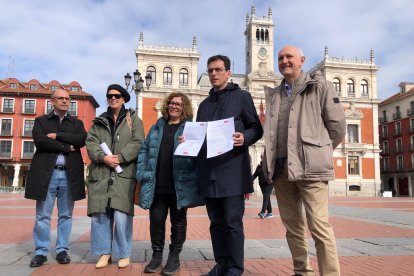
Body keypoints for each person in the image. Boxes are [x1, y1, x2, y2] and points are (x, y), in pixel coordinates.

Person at [263, 45, 346, 276]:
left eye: (289, 57)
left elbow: (337, 127)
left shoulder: (319, 86)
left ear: (302, 60)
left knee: (319, 227)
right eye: (280, 58)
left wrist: (318, 151)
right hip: (281, 170)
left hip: (311, 169)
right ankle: (302, 271)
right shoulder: (275, 94)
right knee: (293, 227)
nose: (284, 61)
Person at [196, 55, 263, 276]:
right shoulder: (204, 105)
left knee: (233, 224)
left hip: (233, 171)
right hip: (209, 172)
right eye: (210, 70)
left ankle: (235, 268)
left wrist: (244, 137)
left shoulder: (242, 97)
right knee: (215, 224)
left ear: (228, 72)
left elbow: (256, 128)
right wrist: (188, 141)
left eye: (218, 70)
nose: (213, 74)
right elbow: (199, 135)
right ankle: (221, 265)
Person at [136, 92, 204, 276]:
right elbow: (144, 149)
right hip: (156, 184)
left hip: (179, 185)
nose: (174, 106)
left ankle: (174, 257)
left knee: (178, 222)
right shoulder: (157, 127)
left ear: (185, 108)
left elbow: (200, 154)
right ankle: (157, 255)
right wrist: (142, 172)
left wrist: (191, 144)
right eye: (172, 103)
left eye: (179, 104)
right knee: (156, 221)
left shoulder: (190, 128)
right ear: (167, 105)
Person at [25, 88, 87, 267]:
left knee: (66, 215)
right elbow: (40, 141)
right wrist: (67, 147)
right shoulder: (41, 121)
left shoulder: (76, 123)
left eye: (67, 99)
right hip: (47, 174)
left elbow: (82, 139)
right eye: (60, 98)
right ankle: (41, 252)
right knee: (42, 216)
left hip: (69, 175)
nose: (65, 101)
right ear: (52, 101)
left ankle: (62, 250)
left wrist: (57, 136)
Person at [86, 84, 145, 269]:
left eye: (117, 96)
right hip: (101, 174)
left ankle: (123, 253)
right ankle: (104, 253)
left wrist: (120, 158)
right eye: (110, 96)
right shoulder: (99, 121)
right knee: (100, 216)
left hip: (124, 174)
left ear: (124, 98)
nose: (113, 98)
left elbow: (138, 142)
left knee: (121, 216)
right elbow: (91, 142)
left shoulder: (133, 119)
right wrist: (103, 157)